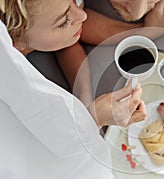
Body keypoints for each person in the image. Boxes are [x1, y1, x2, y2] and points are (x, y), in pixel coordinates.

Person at [0, 0, 147, 128]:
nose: (83, 15)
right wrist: (94, 120)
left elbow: (67, 44)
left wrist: (85, 101)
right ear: (15, 40)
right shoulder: (11, 81)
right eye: (64, 21)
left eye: (73, 1)